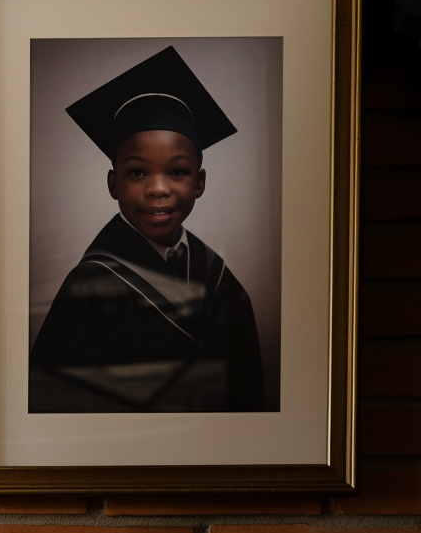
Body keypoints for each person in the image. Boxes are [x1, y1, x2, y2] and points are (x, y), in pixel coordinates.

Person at [29, 46, 267, 412]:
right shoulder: (89, 286)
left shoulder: (222, 282)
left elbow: (251, 395)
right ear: (113, 184)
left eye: (178, 171)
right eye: (138, 172)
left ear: (200, 182)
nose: (158, 188)